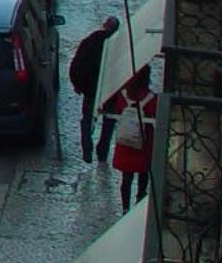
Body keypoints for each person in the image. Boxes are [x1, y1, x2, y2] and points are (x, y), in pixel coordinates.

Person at [102, 65, 158, 209]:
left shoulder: (123, 96)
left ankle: (125, 207)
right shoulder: (152, 99)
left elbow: (116, 110)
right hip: (144, 144)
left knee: (126, 178)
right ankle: (140, 198)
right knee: (143, 174)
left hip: (126, 143)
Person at [67, 16, 120, 159]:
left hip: (90, 89)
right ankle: (102, 151)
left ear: (104, 25)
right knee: (109, 120)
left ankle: (87, 148)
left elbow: (76, 64)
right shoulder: (120, 45)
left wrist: (77, 84)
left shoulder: (90, 41)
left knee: (87, 118)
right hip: (111, 90)